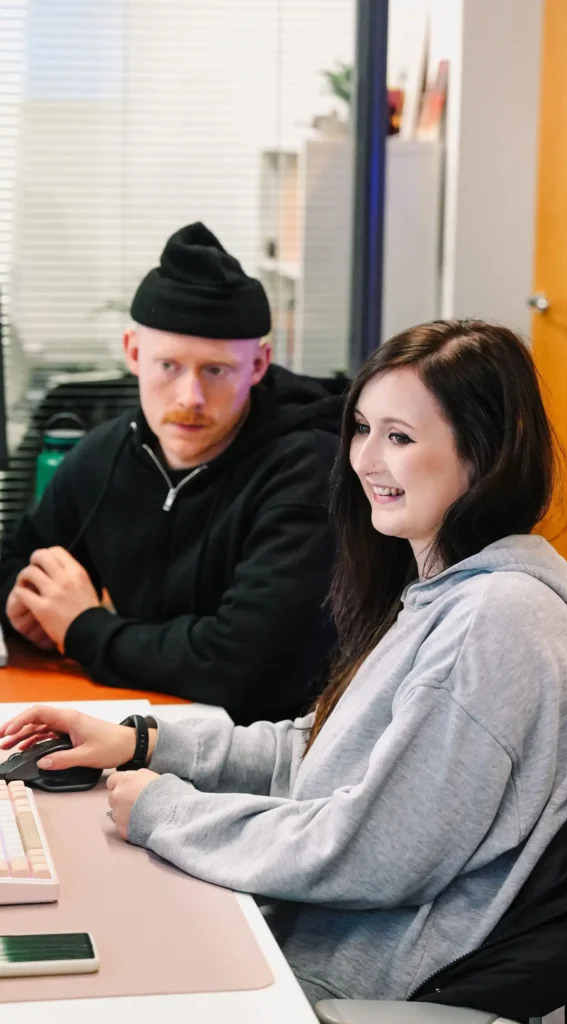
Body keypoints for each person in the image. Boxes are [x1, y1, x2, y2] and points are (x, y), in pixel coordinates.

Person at [0, 320, 567, 1004]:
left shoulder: (498, 624)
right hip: (298, 930)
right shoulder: (442, 595)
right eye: (361, 428)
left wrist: (164, 813)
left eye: (400, 437)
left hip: (333, 987)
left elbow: (369, 852)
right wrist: (142, 740)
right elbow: (322, 754)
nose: (365, 460)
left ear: (484, 456)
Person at [0, 223, 341, 722]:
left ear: (259, 365)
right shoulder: (103, 456)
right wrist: (24, 603)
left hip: (270, 756)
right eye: (168, 366)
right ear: (134, 353)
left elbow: (245, 668)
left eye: (216, 370)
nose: (190, 398)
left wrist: (83, 629)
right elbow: (19, 557)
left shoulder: (308, 470)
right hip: (142, 724)